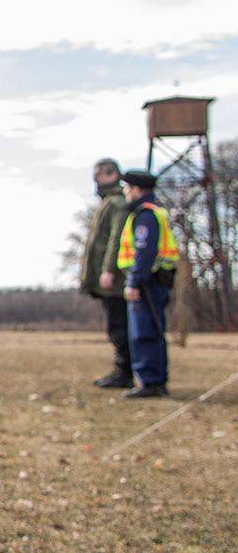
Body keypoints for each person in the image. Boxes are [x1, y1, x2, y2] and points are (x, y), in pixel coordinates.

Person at [117, 168, 178, 399]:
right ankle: (154, 381)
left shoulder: (145, 215)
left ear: (136, 189)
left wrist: (133, 282)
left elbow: (144, 252)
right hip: (153, 281)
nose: (125, 193)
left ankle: (151, 382)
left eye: (126, 188)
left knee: (144, 332)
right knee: (151, 330)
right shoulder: (152, 212)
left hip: (147, 283)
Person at [80, 159, 134, 389]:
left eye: (97, 176)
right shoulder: (108, 203)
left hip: (114, 279)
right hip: (108, 277)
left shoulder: (117, 203)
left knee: (119, 324)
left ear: (111, 175)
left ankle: (125, 371)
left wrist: (108, 270)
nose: (94, 182)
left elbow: (116, 238)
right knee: (116, 323)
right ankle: (123, 369)